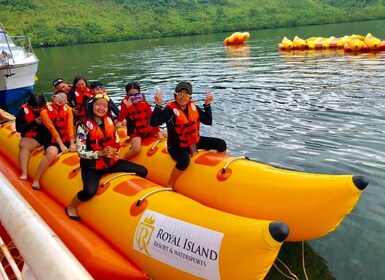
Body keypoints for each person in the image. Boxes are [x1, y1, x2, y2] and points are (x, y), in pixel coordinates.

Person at [65, 93, 148, 221]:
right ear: (92, 105)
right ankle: (71, 206)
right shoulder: (83, 125)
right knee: (89, 192)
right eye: (98, 105)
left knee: (143, 171)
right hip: (92, 166)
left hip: (110, 162)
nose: (101, 108)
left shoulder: (109, 121)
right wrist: (100, 153)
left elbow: (116, 140)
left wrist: (115, 151)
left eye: (105, 106)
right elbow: (81, 152)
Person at [150, 81, 227, 189]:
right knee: (184, 160)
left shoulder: (193, 106)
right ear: (175, 95)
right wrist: (158, 106)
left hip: (194, 141)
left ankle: (219, 168)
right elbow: (153, 123)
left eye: (186, 95)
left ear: (189, 97)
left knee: (221, 144)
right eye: (180, 94)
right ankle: (170, 184)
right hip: (176, 147)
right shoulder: (169, 110)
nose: (183, 97)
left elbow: (208, 121)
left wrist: (207, 105)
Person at [31, 90, 76, 190]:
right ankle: (36, 179)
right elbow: (52, 129)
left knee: (81, 148)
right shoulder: (44, 112)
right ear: (53, 97)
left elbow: (69, 127)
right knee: (52, 153)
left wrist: (72, 143)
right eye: (59, 97)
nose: (61, 100)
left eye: (64, 99)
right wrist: (61, 146)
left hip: (67, 139)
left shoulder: (68, 110)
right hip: (52, 140)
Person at [116, 82, 166, 159]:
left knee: (169, 135)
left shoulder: (144, 103)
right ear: (127, 95)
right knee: (136, 149)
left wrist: (158, 133)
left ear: (139, 93)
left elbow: (152, 119)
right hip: (136, 132)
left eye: (136, 94)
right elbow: (120, 118)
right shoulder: (125, 103)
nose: (134, 97)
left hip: (148, 129)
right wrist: (127, 107)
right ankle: (122, 161)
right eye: (131, 95)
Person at [16, 95, 49, 180]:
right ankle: (24, 172)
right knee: (23, 145)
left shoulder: (50, 108)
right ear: (30, 106)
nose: (38, 110)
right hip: (34, 137)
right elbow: (19, 128)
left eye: (40, 107)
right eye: (35, 108)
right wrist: (34, 123)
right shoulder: (23, 112)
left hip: (49, 136)